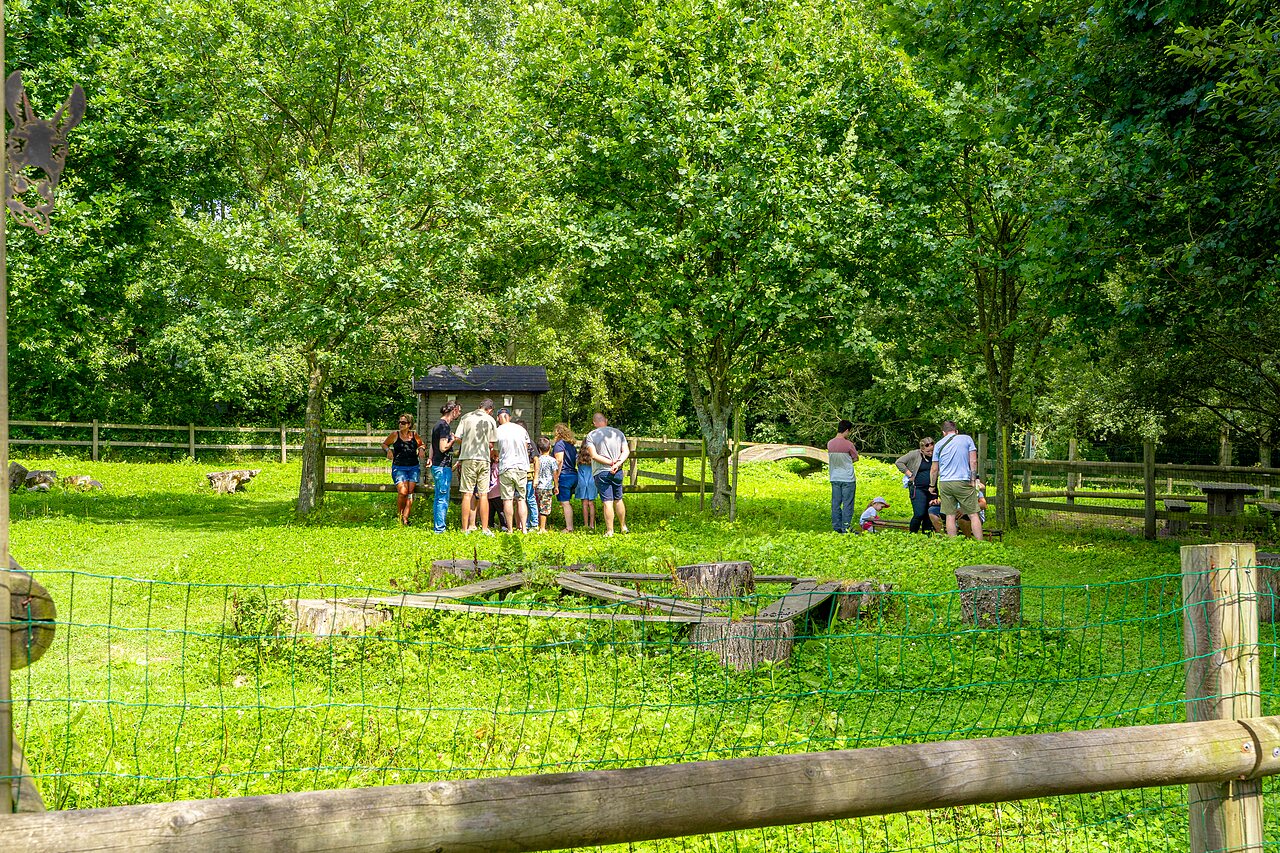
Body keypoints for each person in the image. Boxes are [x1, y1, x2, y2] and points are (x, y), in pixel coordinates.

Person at [930, 420, 983, 541]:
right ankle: (980, 542)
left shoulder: (938, 445)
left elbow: (934, 469)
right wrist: (973, 479)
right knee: (973, 514)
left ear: (943, 433)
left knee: (950, 515)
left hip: (945, 482)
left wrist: (932, 485)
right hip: (962, 480)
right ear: (956, 431)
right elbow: (973, 461)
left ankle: (953, 543)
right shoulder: (967, 439)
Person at [453, 399, 497, 535]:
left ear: (479, 406)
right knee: (483, 494)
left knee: (467, 494)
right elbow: (492, 443)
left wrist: (466, 442)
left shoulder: (466, 417)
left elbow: (457, 437)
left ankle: (464, 528)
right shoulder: (490, 420)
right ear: (490, 410)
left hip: (468, 458)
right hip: (483, 459)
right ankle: (484, 528)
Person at [585, 412, 630, 536]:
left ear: (594, 423)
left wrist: (610, 463)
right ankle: (623, 527)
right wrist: (617, 464)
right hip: (617, 471)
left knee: (607, 501)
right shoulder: (618, 433)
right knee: (618, 499)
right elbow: (626, 451)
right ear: (606, 420)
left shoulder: (591, 435)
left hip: (601, 472)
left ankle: (610, 530)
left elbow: (594, 455)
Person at [381, 414, 427, 526]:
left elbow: (422, 444)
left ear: (409, 424)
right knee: (403, 492)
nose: (400, 424)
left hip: (413, 467)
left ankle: (405, 519)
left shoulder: (414, 435)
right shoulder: (395, 434)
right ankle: (399, 516)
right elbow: (384, 444)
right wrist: (388, 450)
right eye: (399, 422)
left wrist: (421, 449)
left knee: (410, 492)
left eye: (403, 423)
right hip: (399, 467)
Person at [495, 409, 532, 533]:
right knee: (521, 499)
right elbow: (526, 447)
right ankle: (524, 528)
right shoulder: (521, 430)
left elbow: (495, 451)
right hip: (521, 467)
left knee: (507, 499)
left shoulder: (498, 431)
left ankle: (510, 529)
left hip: (506, 467)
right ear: (509, 417)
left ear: (498, 418)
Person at [429, 402, 462, 533]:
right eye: (459, 411)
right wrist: (452, 440)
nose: (459, 414)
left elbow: (432, 445)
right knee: (442, 498)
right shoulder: (444, 426)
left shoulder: (437, 425)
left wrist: (430, 458)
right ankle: (439, 529)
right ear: (453, 411)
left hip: (437, 465)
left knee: (438, 497)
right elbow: (443, 448)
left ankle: (438, 525)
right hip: (442, 467)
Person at [895, 437, 937, 534]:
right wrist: (909, 474)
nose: (931, 453)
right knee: (919, 513)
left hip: (932, 487)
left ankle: (927, 535)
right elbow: (899, 462)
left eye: (932, 450)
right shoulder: (915, 454)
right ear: (922, 450)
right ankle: (912, 534)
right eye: (928, 451)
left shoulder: (936, 455)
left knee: (929, 514)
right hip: (917, 488)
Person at [827, 419, 859, 533]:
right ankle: (846, 527)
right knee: (847, 504)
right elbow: (855, 458)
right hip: (847, 478)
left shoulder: (830, 443)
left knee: (836, 503)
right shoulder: (848, 444)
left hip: (834, 477)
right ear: (846, 430)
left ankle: (836, 527)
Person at [552, 423, 578, 532]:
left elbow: (559, 461)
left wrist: (556, 476)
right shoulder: (571, 445)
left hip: (564, 476)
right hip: (573, 474)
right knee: (567, 502)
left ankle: (569, 527)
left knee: (565, 503)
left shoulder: (559, 444)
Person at [517, 420, 539, 531]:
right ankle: (522, 524)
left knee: (530, 499)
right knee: (520, 499)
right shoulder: (515, 442)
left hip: (529, 476)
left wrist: (536, 478)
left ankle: (534, 523)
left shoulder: (530, 443)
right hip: (518, 475)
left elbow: (536, 460)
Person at [534, 437, 557, 533]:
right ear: (550, 447)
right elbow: (555, 474)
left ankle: (536, 524)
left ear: (539, 449)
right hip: (547, 486)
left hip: (538, 486)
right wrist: (556, 486)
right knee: (545, 507)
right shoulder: (552, 460)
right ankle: (542, 528)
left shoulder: (538, 459)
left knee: (538, 505)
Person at [575, 437, 598, 530]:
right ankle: (592, 525)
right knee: (591, 503)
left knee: (584, 504)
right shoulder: (594, 457)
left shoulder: (578, 457)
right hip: (592, 480)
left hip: (582, 481)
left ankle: (585, 524)